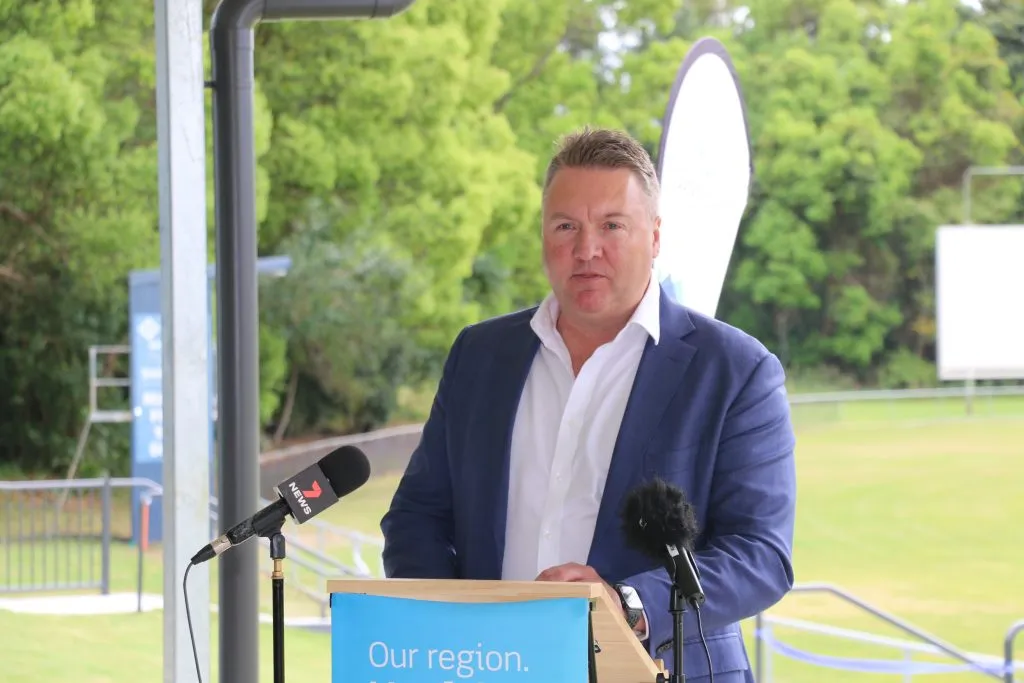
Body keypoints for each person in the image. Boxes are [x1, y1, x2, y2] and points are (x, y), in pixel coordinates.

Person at [380, 127, 796, 682]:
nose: (586, 249)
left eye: (612, 226)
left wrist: (626, 603)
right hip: (490, 668)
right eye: (566, 226)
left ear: (654, 236)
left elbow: (761, 556)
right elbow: (417, 518)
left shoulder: (735, 370)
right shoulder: (479, 356)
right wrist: (451, 627)